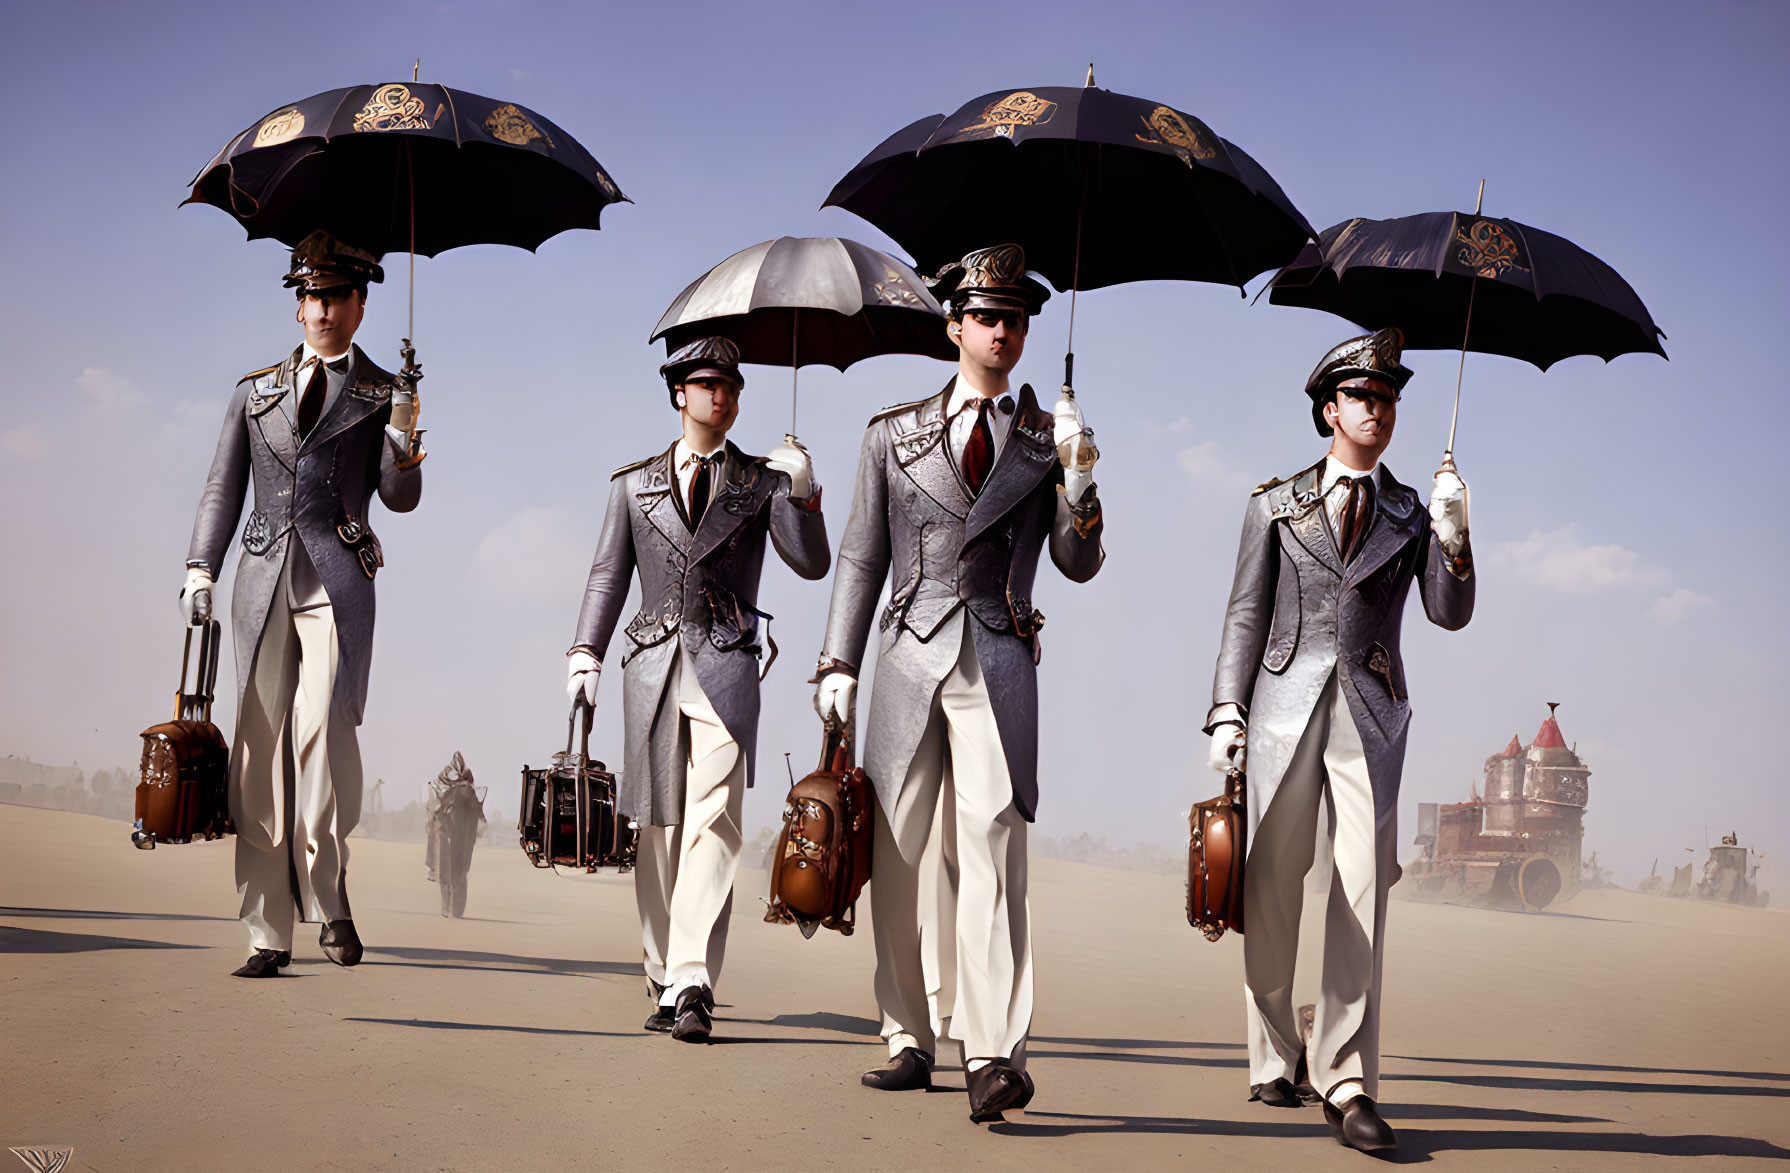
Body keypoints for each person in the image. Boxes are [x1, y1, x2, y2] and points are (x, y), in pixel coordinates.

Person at [813, 244, 1105, 1123]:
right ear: (954, 325)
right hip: (906, 652)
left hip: (1001, 652)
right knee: (897, 850)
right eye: (988, 316)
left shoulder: (1044, 441)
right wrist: (836, 663)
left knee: (994, 848)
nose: (1004, 331)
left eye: (1017, 319)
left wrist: (1080, 480)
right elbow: (861, 558)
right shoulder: (888, 433)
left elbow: (1078, 563)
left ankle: (992, 1053)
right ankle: (907, 1034)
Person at [1204, 327, 1474, 1154]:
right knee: (1274, 881)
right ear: (1331, 409)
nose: (1379, 411)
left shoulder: (1409, 510)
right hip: (1282, 704)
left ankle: (1348, 1075)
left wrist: (1456, 534)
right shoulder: (1273, 504)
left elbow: (1448, 612)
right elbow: (1245, 613)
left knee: (1362, 884)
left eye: (1389, 399)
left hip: (1373, 708)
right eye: (1364, 397)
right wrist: (1225, 711)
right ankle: (1273, 1053)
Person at [567, 336, 830, 1042]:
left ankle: (691, 980)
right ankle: (660, 967)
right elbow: (606, 574)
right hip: (649, 663)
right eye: (707, 384)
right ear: (679, 393)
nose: (723, 396)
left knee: (716, 819)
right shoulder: (633, 484)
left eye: (732, 386)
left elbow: (810, 563)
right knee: (655, 829)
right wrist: (585, 650)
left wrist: (803, 495)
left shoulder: (763, 481)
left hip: (727, 664)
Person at [181, 229, 425, 978]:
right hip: (259, 578)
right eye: (311, 297)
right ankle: (266, 931)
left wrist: (406, 431)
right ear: (298, 308)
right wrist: (200, 568)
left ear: (360, 307)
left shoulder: (386, 390)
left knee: (324, 737)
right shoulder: (253, 392)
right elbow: (225, 486)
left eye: (337, 298)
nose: (322, 310)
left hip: (336, 583)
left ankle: (331, 892)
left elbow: (401, 498)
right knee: (258, 750)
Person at [425, 751, 485, 917]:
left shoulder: (467, 789)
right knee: (445, 871)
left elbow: (475, 812)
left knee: (460, 873)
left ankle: (456, 910)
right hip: (444, 836)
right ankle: (448, 908)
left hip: (461, 837)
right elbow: (434, 810)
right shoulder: (442, 785)